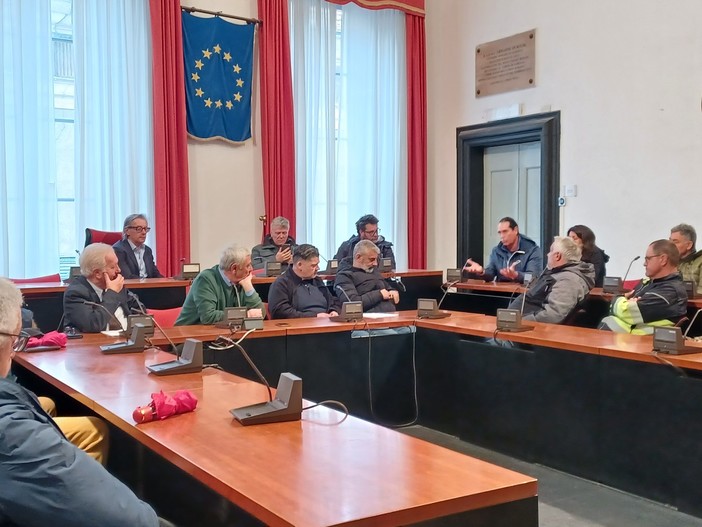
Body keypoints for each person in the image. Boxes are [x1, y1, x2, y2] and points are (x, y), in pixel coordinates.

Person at [0, 278, 166, 526]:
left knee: (76, 421)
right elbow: (130, 520)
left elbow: (135, 317)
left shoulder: (126, 292)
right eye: (16, 343)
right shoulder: (78, 291)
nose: (118, 271)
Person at [599, 239, 688, 334]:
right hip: (623, 340)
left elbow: (627, 313)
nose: (644, 264)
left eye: (648, 259)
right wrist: (627, 304)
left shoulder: (670, 291)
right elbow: (628, 309)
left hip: (640, 344)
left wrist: (618, 299)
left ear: (663, 259)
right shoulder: (649, 283)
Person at [508, 236, 595, 324]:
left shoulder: (568, 281)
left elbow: (552, 315)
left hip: (527, 328)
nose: (547, 254)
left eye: (550, 251)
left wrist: (521, 322)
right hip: (515, 324)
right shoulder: (556, 273)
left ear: (557, 256)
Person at [175, 244, 264, 325]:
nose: (251, 269)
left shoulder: (243, 281)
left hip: (224, 336)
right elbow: (208, 317)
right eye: (248, 266)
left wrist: (249, 288)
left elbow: (261, 314)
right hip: (189, 337)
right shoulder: (206, 279)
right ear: (234, 268)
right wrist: (246, 314)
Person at [63, 243, 140, 333]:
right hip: (97, 344)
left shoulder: (116, 284)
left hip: (128, 340)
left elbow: (139, 309)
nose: (119, 270)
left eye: (117, 264)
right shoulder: (75, 293)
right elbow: (94, 324)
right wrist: (112, 293)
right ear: (97, 273)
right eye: (112, 267)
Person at [268, 244, 342, 319]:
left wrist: (334, 311)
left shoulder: (317, 280)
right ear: (299, 265)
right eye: (313, 266)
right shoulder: (282, 283)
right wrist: (315, 316)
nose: (318, 268)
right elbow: (280, 312)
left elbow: (333, 302)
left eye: (317, 264)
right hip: (300, 327)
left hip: (326, 323)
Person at [463, 217, 543, 283]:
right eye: (499, 232)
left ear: (515, 230)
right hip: (501, 293)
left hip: (522, 296)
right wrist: (482, 271)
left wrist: (516, 275)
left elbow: (534, 278)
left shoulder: (532, 250)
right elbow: (491, 273)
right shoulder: (497, 251)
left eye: (505, 231)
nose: (502, 236)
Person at [334, 240, 399, 313]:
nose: (375, 263)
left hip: (389, 315)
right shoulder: (344, 276)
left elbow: (385, 287)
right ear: (358, 257)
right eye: (371, 259)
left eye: (376, 259)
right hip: (367, 319)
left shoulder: (373, 270)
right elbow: (352, 304)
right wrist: (379, 294)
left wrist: (392, 291)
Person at [113, 213, 163, 279]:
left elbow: (155, 274)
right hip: (131, 288)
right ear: (127, 231)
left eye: (145, 229)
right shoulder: (119, 250)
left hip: (149, 287)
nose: (144, 232)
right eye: (139, 229)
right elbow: (127, 277)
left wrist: (168, 281)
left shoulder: (147, 250)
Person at [669, 223, 702, 294]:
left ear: (689, 245)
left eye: (675, 242)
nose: (670, 245)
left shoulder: (700, 262)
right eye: (670, 241)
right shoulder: (670, 263)